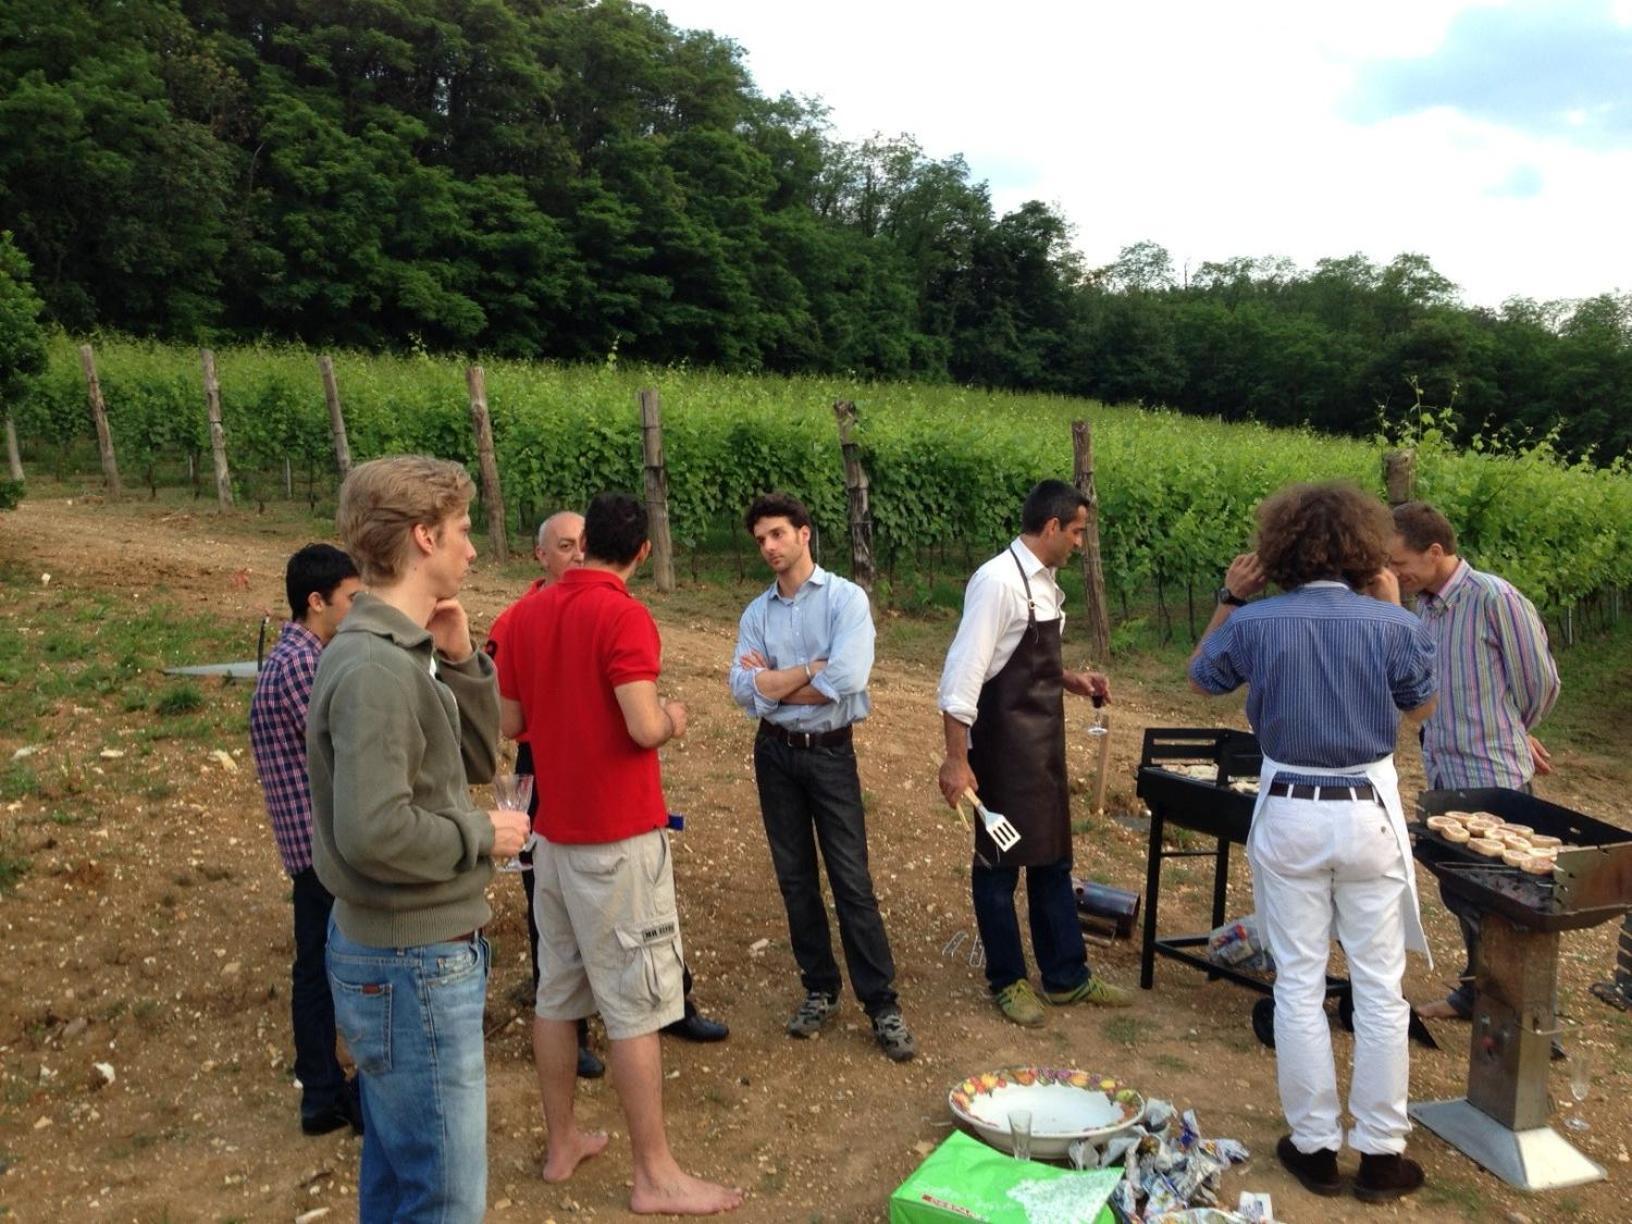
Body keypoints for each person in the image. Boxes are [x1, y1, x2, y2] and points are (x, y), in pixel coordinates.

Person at [1189, 482, 1437, 1203]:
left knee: (1298, 981)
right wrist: (1393, 613)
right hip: (1368, 811)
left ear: (1280, 547)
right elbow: (1420, 703)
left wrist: (1231, 598)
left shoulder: (1259, 621)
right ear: (1363, 547)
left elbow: (1203, 678)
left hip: (1290, 806)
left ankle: (1315, 1145)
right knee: (1381, 986)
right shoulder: (1387, 623)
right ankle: (1383, 1153)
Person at [498, 491, 742, 1216]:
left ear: (582, 543)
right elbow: (639, 727)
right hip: (617, 839)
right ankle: (655, 1174)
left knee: (557, 994)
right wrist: (673, 717)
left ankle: (562, 1142)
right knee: (636, 1005)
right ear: (640, 551)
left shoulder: (524, 615)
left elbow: (513, 722)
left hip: (553, 837)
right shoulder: (623, 614)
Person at [308, 456, 530, 1223]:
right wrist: (482, 834)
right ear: (425, 535)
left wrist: (464, 659)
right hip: (410, 963)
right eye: (464, 532)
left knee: (404, 1173)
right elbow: (371, 832)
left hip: (412, 959)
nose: (473, 550)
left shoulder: (404, 651)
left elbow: (473, 756)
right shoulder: (373, 666)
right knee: (441, 1196)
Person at [727, 492, 916, 1062]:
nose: (768, 547)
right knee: (794, 878)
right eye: (760, 539)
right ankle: (819, 987)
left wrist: (778, 681)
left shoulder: (845, 600)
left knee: (851, 880)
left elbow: (850, 676)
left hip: (831, 753)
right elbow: (741, 690)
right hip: (776, 755)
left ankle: (881, 1004)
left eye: (778, 534)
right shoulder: (756, 613)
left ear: (804, 534)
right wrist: (812, 668)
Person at [937, 479, 1132, 1027]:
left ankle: (1066, 977)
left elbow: (1023, 660)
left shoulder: (1041, 583)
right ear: (1051, 527)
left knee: (1052, 859)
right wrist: (957, 759)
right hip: (1000, 751)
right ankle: (1007, 979)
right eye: (1076, 532)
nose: (1079, 542)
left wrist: (1070, 679)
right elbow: (963, 677)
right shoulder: (998, 582)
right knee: (999, 866)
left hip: (1042, 749)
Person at [1387, 501, 1560, 1024]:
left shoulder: (1493, 598)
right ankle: (1476, 993)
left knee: (1507, 902)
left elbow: (1540, 684)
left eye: (1400, 563)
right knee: (1459, 889)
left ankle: (1525, 1017)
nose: (1395, 574)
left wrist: (1512, 729)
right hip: (1444, 770)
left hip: (1493, 778)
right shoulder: (1426, 609)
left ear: (1435, 552)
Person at [248, 543, 363, 1136]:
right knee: (329, 971)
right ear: (316, 602)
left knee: (318, 966)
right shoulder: (303, 666)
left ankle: (323, 1087)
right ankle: (324, 1093)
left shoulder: (298, 657)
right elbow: (348, 747)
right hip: (322, 850)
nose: (357, 608)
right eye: (350, 599)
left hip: (311, 846)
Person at [485, 510, 605, 1079]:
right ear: (541, 556)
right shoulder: (514, 623)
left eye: (584, 545)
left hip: (599, 762)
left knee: (619, 880)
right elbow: (506, 716)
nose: (577, 555)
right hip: (545, 759)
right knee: (546, 893)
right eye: (565, 546)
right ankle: (567, 1024)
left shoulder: (607, 608)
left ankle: (664, 1001)